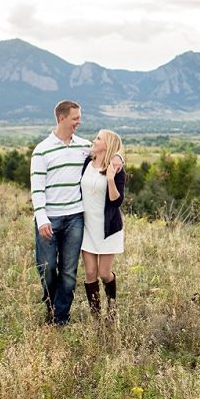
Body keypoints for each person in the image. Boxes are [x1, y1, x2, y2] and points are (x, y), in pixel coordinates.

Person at [30, 100, 91, 326]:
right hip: (49, 219)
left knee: (69, 272)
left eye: (79, 117)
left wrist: (119, 159)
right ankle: (52, 308)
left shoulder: (83, 146)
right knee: (47, 269)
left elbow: (107, 153)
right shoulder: (42, 150)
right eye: (75, 118)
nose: (79, 122)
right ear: (62, 118)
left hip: (75, 217)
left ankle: (60, 319)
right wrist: (42, 218)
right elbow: (37, 188)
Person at [80, 129, 127, 321]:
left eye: (98, 138)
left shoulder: (116, 170)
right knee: (90, 272)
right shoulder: (86, 161)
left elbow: (116, 202)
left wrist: (110, 178)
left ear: (106, 145)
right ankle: (97, 319)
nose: (94, 140)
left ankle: (112, 308)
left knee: (104, 273)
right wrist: (119, 155)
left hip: (108, 228)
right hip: (87, 227)